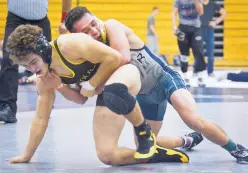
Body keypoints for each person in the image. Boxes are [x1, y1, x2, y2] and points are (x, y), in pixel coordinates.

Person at [62, 6, 247, 164]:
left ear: (97, 19)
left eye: (93, 24)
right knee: (146, 144)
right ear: (78, 37)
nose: (93, 31)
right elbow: (86, 93)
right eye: (85, 31)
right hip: (145, 96)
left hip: (164, 79)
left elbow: (124, 58)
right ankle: (186, 140)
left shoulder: (111, 25)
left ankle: (236, 148)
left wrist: (92, 83)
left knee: (193, 119)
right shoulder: (89, 54)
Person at [6, 25, 189, 165]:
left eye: (33, 62)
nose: (33, 69)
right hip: (106, 91)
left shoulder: (70, 44)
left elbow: (115, 58)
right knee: (107, 155)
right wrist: (27, 155)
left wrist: (91, 83)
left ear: (42, 49)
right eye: (27, 66)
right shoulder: (45, 78)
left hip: (127, 72)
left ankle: (144, 132)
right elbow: (44, 116)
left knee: (113, 91)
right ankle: (164, 150)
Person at [0, 0, 72, 123]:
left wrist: (65, 20)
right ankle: (8, 108)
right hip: (15, 17)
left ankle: (46, 104)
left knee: (47, 60)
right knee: (9, 59)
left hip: (40, 18)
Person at [171, 0, 206, 87]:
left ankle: (200, 74)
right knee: (184, 55)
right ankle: (185, 74)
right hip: (183, 28)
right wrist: (174, 27)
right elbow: (173, 13)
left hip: (195, 29)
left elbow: (201, 12)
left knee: (198, 51)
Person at [200, 0, 227, 76]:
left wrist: (215, 22)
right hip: (199, 29)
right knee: (198, 52)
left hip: (209, 29)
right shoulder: (197, 3)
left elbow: (224, 13)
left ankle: (210, 71)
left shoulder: (213, 4)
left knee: (210, 52)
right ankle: (197, 71)